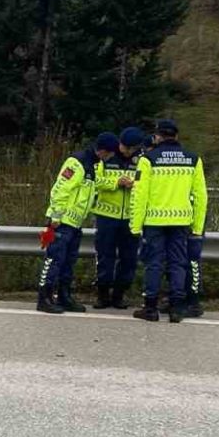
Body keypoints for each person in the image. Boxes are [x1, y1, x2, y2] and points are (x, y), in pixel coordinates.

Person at [128, 118, 208, 323]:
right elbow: (200, 196)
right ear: (176, 136)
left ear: (157, 137)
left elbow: (139, 194)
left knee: (154, 264)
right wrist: (197, 227)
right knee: (178, 263)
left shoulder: (148, 159)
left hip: (154, 222)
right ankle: (176, 308)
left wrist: (135, 226)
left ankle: (150, 308)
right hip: (181, 222)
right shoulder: (193, 159)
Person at [37, 133, 122, 315]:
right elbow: (60, 190)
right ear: (103, 151)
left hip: (75, 223)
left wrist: (116, 183)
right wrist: (56, 217)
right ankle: (44, 298)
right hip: (62, 222)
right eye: (110, 153)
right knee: (54, 260)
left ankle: (64, 296)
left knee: (68, 262)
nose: (111, 157)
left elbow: (97, 183)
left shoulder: (92, 165)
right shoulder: (77, 162)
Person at [92, 127, 146, 308]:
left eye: (132, 148)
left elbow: (146, 184)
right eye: (125, 147)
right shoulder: (106, 156)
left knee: (129, 259)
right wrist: (116, 182)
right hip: (106, 216)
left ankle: (119, 295)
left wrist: (134, 184)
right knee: (104, 257)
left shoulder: (142, 160)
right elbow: (95, 181)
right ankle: (102, 294)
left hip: (130, 218)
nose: (127, 151)